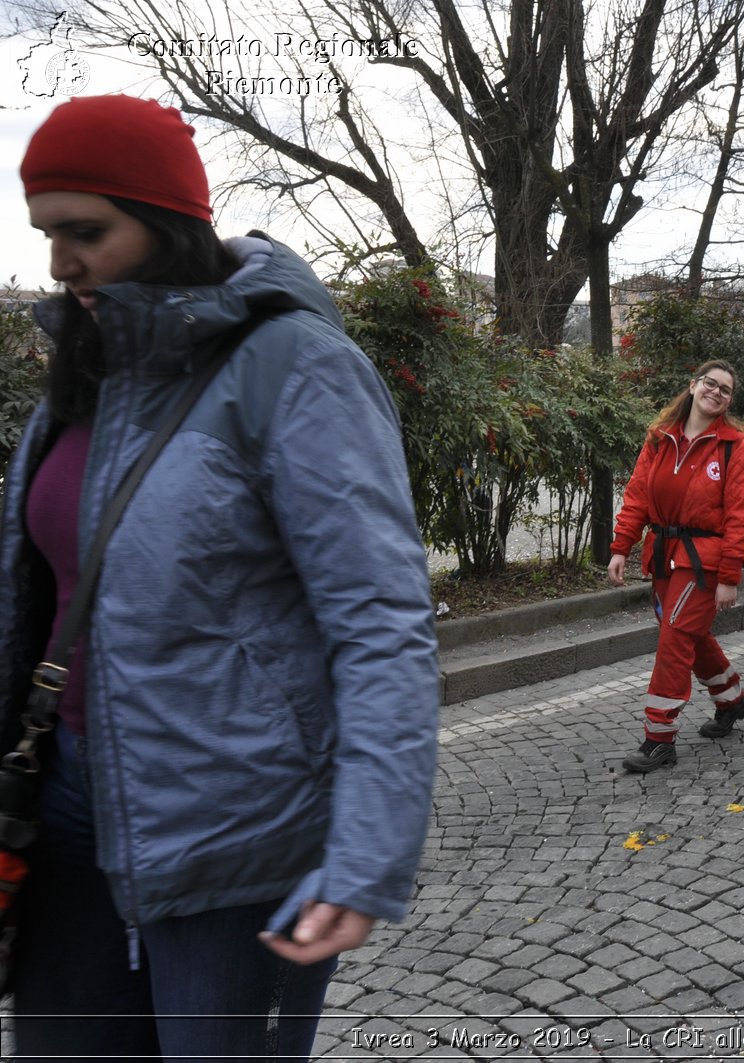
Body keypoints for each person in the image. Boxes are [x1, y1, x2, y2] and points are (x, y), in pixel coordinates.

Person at [5, 95, 438, 1059]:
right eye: (47, 233)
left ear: (164, 224)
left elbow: (381, 622)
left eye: (86, 232)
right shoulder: (90, 369)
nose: (60, 263)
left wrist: (364, 853)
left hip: (238, 828)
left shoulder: (294, 365)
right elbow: (39, 598)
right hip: (68, 807)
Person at [607, 361, 744, 771]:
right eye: (710, 383)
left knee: (675, 640)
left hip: (705, 563)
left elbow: (742, 517)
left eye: (725, 390)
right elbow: (638, 495)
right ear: (693, 386)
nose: (716, 392)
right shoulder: (660, 439)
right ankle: (732, 699)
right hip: (662, 553)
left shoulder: (737, 449)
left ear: (729, 401)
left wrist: (730, 577)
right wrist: (621, 546)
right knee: (688, 635)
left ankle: (659, 738)